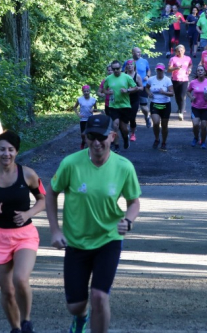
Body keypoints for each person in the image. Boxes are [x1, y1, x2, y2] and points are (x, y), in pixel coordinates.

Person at [46, 114, 141, 333]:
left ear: (112, 137)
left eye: (101, 137)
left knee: (99, 296)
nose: (96, 142)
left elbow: (134, 202)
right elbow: (51, 193)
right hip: (76, 242)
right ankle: (81, 317)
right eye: (91, 137)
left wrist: (128, 220)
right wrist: (55, 230)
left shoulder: (124, 167)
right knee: (75, 305)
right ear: (85, 137)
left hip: (108, 239)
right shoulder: (71, 163)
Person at [0, 131, 46, 333]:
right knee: (7, 291)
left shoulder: (28, 174)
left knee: (20, 279)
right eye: (2, 149)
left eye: (10, 150)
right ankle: (15, 328)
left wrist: (28, 213)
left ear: (17, 151)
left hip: (25, 235)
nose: (6, 153)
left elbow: (43, 200)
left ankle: (26, 321)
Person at [102, 60, 138, 153]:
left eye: (117, 68)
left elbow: (135, 88)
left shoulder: (126, 77)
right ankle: (116, 145)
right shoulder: (108, 78)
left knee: (124, 129)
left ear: (121, 68)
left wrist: (127, 90)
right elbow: (104, 90)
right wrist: (108, 92)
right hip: (113, 106)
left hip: (125, 105)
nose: (116, 70)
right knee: (115, 125)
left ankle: (126, 138)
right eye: (114, 69)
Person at [146, 63, 174, 151]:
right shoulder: (151, 79)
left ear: (164, 70)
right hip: (155, 103)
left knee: (164, 125)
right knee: (156, 122)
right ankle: (157, 139)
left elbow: (172, 93)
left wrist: (164, 93)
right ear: (156, 70)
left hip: (165, 104)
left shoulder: (167, 80)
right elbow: (146, 88)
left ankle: (164, 142)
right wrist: (149, 93)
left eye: (161, 70)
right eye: (158, 70)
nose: (159, 72)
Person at [187, 65, 207, 149]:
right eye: (198, 70)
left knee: (204, 126)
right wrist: (191, 97)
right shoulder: (193, 82)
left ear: (204, 72)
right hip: (195, 107)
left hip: (205, 107)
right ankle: (196, 138)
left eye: (201, 70)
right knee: (195, 125)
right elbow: (188, 91)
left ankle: (203, 141)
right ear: (196, 72)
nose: (200, 72)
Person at [167, 45, 193, 121]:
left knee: (182, 96)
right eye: (178, 51)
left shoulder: (188, 58)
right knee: (177, 96)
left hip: (184, 79)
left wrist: (189, 69)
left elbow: (190, 64)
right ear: (176, 52)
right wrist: (175, 68)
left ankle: (181, 113)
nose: (180, 52)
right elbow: (168, 70)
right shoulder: (173, 59)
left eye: (181, 50)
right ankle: (180, 108)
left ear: (184, 51)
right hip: (175, 79)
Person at [131, 48, 152, 128]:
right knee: (132, 107)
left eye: (140, 52)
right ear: (133, 52)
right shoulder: (129, 62)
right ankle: (132, 123)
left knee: (144, 107)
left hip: (143, 86)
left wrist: (147, 76)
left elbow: (148, 70)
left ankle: (147, 117)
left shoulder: (144, 61)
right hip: (132, 87)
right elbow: (123, 72)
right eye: (137, 52)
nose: (139, 53)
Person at [124, 60, 143, 142]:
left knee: (132, 117)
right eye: (128, 64)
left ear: (134, 66)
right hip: (124, 99)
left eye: (131, 64)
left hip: (134, 98)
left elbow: (142, 87)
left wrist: (135, 88)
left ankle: (133, 133)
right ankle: (125, 131)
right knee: (124, 117)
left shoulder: (137, 76)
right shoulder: (123, 75)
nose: (130, 66)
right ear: (126, 66)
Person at [73, 85, 97, 150]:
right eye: (84, 91)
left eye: (87, 91)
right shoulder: (79, 99)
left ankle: (89, 145)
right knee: (83, 134)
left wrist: (93, 110)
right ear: (82, 92)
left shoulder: (93, 100)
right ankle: (83, 142)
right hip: (83, 119)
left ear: (89, 91)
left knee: (90, 133)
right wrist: (78, 114)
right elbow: (75, 107)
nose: (86, 92)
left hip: (90, 118)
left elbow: (96, 109)